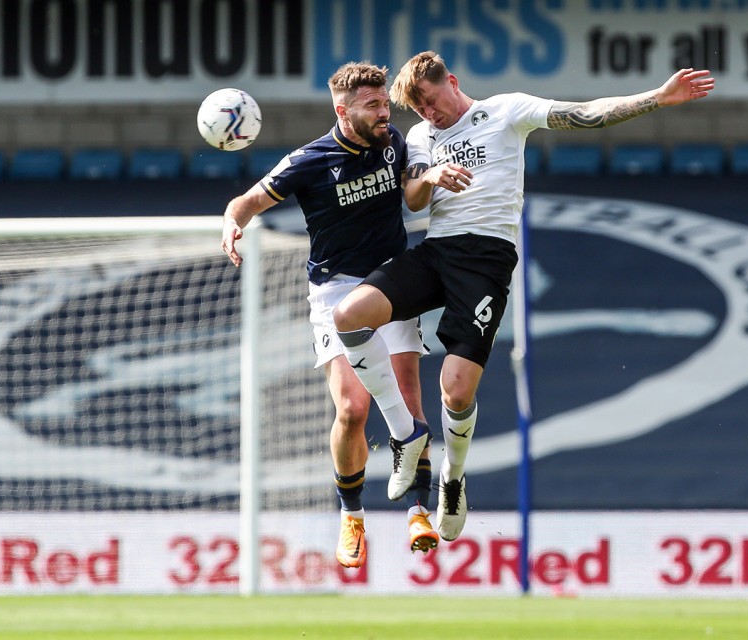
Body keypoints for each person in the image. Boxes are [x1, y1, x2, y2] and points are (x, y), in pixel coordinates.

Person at [333, 51, 715, 542]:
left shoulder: (506, 111)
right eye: (420, 109)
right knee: (351, 314)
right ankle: (406, 433)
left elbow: (585, 114)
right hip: (436, 252)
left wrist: (657, 99)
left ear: (451, 81)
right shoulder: (425, 138)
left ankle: (453, 476)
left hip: (485, 262)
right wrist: (428, 177)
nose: (429, 114)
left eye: (431, 101)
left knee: (455, 388)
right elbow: (412, 198)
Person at [220, 62, 440, 569]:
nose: (385, 112)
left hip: (392, 282)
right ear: (342, 111)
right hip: (336, 291)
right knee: (353, 409)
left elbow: (410, 193)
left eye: (386, 103)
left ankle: (419, 510)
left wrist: (428, 179)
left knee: (409, 398)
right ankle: (352, 513)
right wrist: (231, 225)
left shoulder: (395, 143)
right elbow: (246, 201)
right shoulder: (310, 160)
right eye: (372, 106)